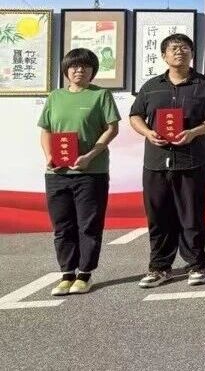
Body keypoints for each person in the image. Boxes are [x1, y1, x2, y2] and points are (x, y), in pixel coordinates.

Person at [129, 33, 205, 288]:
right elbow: (135, 116)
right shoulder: (151, 86)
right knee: (158, 217)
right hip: (156, 162)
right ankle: (159, 267)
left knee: (192, 215)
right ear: (164, 55)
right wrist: (148, 133)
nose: (179, 52)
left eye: (185, 48)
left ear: (192, 54)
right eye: (173, 48)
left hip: (192, 160)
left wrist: (194, 132)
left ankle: (196, 265)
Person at [38, 49, 120, 296]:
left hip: (91, 172)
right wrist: (49, 156)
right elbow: (46, 130)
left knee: (88, 225)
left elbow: (112, 129)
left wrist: (90, 156)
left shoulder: (101, 95)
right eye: (74, 66)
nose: (79, 70)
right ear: (66, 70)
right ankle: (66, 274)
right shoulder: (55, 96)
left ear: (93, 71)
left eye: (85, 66)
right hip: (57, 174)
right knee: (62, 226)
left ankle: (84, 274)